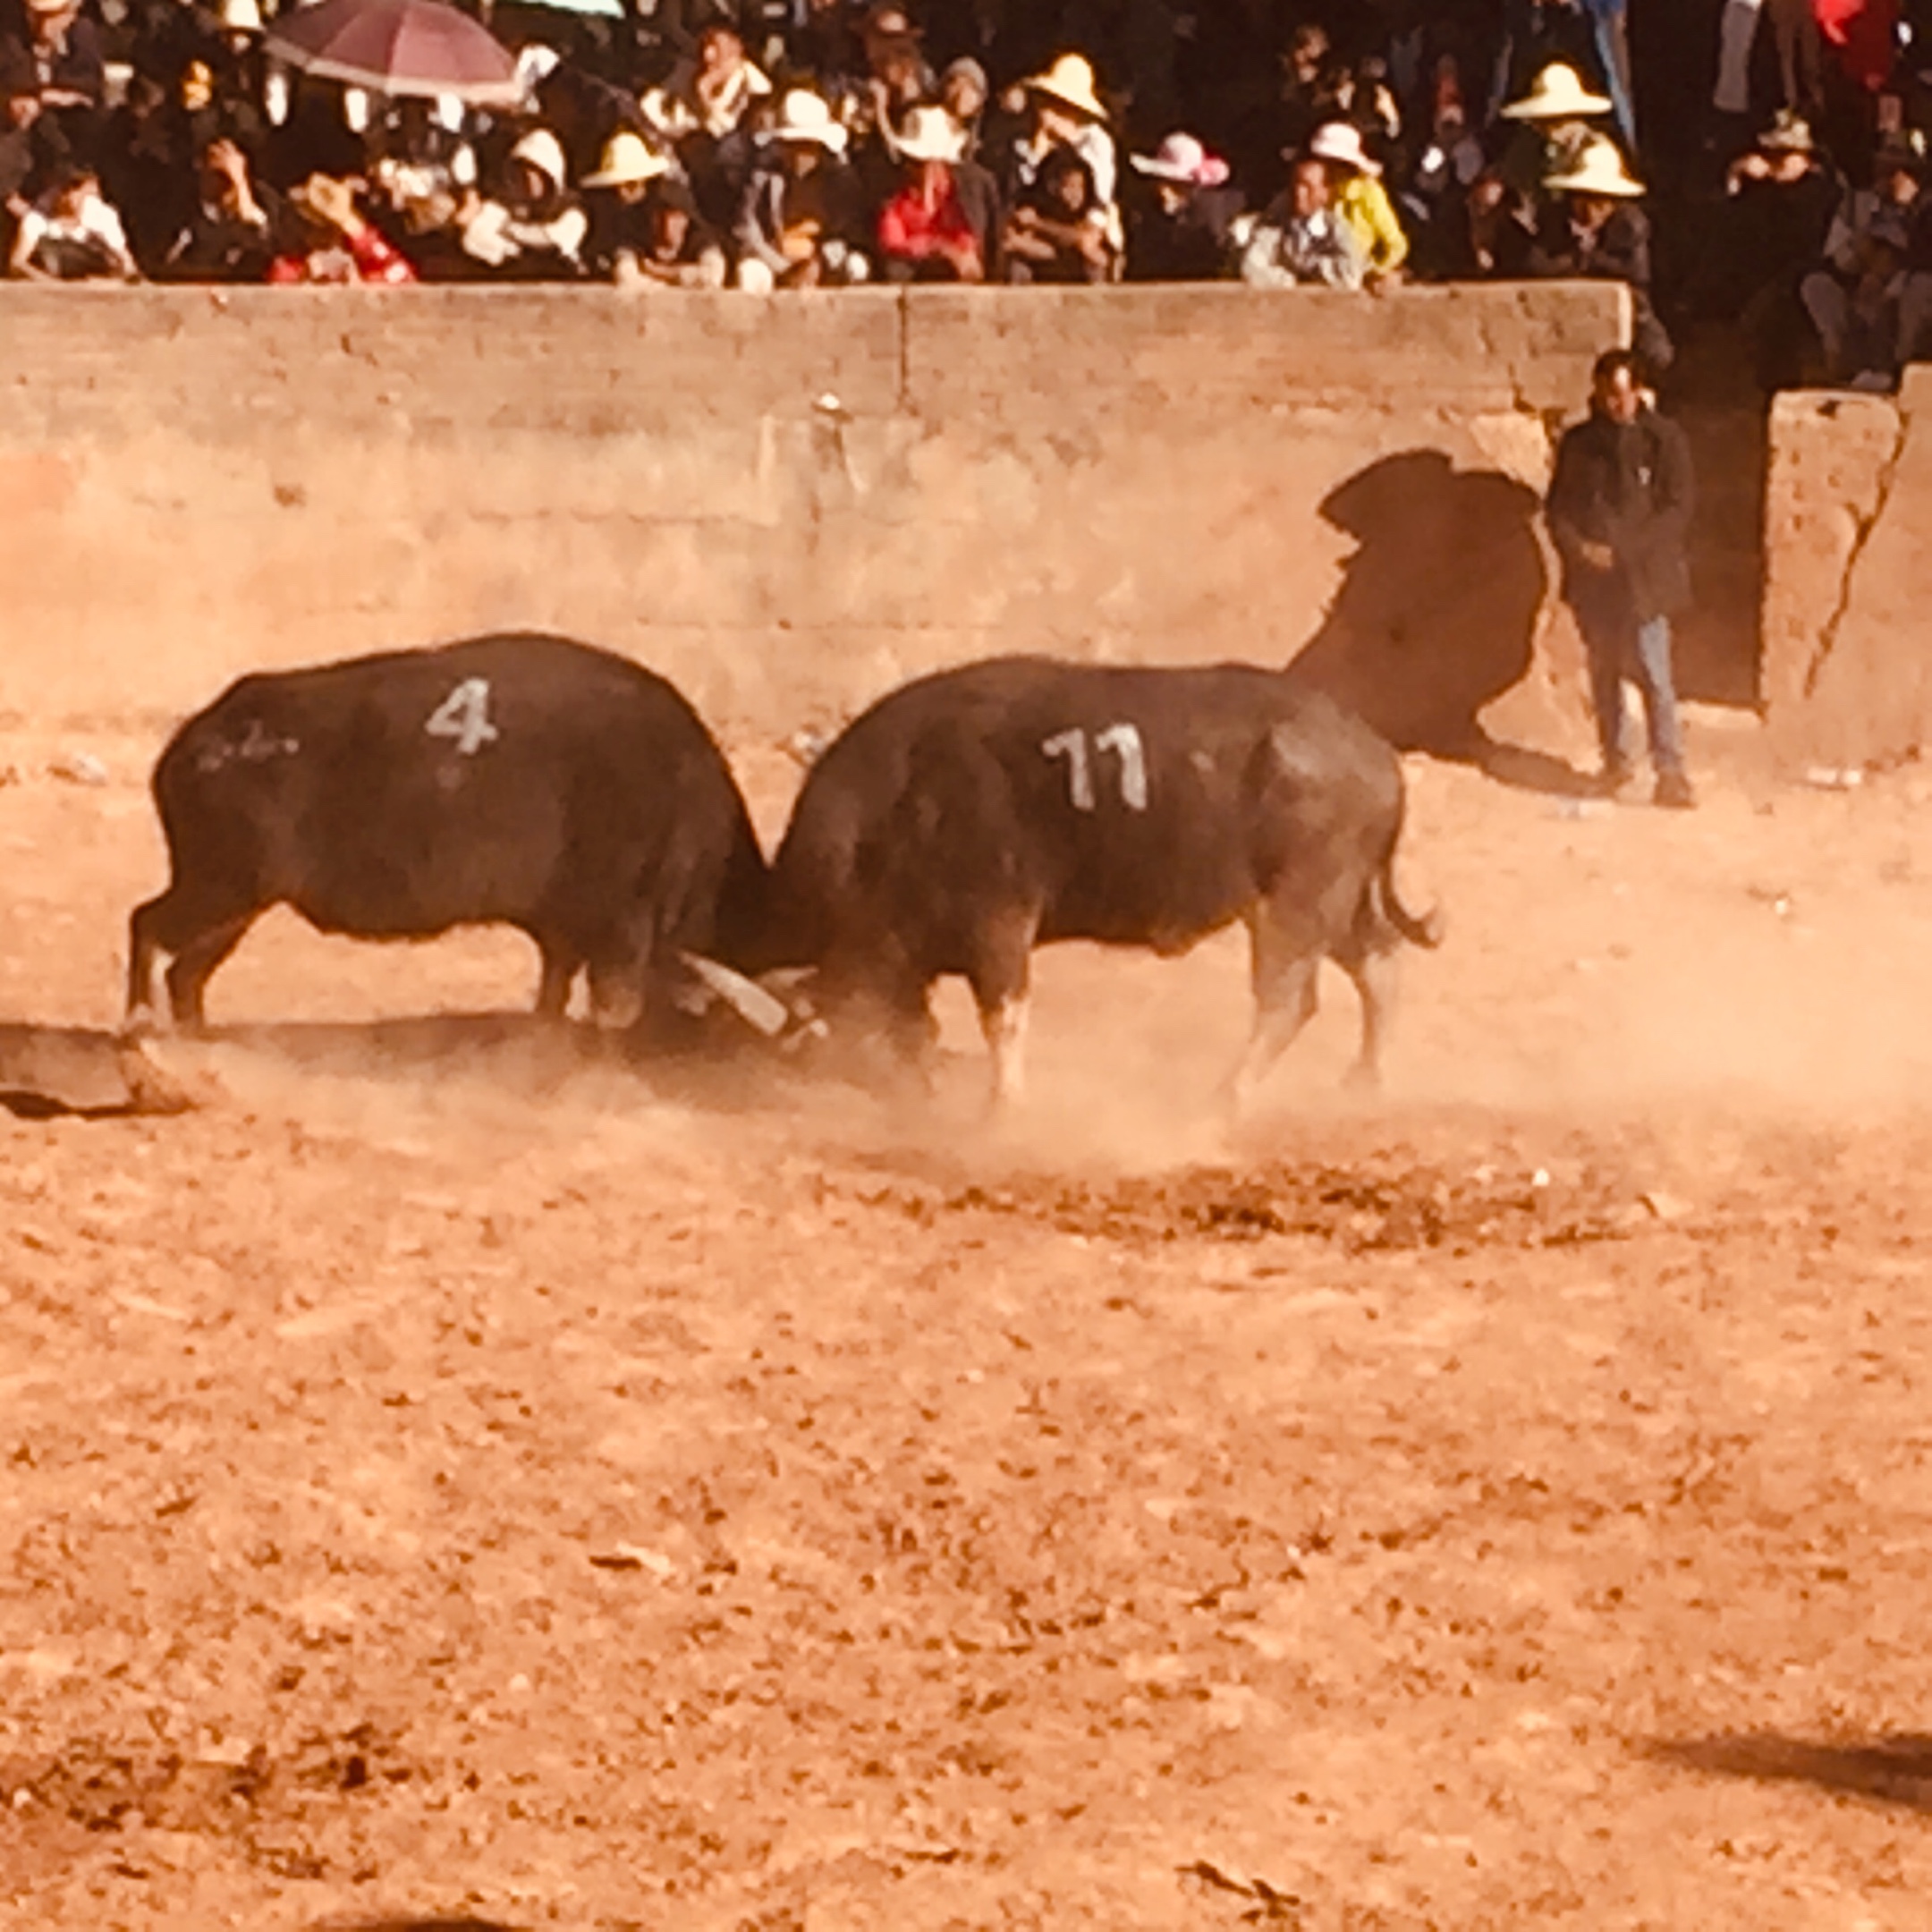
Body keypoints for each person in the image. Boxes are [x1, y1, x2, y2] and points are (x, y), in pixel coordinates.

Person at [1546, 348, 1697, 809]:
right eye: (1611, 393)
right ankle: (1616, 761)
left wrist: (1630, 550)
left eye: (1626, 392)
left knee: (1654, 671)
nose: (1619, 402)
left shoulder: (1663, 440)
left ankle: (1669, 770)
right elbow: (1559, 510)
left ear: (1640, 392)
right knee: (1605, 670)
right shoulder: (1580, 445)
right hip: (1597, 581)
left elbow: (1678, 507)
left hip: (1646, 576)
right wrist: (1581, 550)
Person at [1535, 135, 1673, 376]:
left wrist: (1585, 258)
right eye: (1583, 200)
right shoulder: (1553, 220)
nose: (1590, 211)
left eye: (1599, 202)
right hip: (1560, 310)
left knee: (1657, 352)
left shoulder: (1630, 225)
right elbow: (1538, 264)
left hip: (1627, 310)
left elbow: (1636, 276)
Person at [733, 88, 869, 289]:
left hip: (824, 261)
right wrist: (783, 267)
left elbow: (850, 231)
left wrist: (818, 260)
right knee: (750, 272)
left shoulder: (841, 181)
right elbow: (746, 229)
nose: (799, 154)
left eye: (807, 145)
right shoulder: (763, 179)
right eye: (792, 145)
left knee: (857, 266)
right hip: (776, 259)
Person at [876, 101, 996, 283]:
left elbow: (968, 236)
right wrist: (939, 247)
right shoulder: (894, 194)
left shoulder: (962, 191)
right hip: (914, 266)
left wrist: (961, 252)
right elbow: (892, 241)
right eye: (916, 163)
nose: (925, 170)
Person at [459, 127, 587, 279]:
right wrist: (508, 250)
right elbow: (475, 235)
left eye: (537, 172)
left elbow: (555, 239)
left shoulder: (571, 209)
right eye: (524, 171)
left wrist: (510, 230)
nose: (530, 179)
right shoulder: (506, 203)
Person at [157, 132, 275, 279]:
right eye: (217, 175)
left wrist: (243, 193)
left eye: (228, 178)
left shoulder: (265, 204)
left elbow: (269, 252)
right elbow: (165, 263)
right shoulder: (182, 213)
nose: (223, 185)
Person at [1124, 129, 1239, 282]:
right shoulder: (1144, 211)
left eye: (1174, 184)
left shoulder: (1210, 211)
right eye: (1160, 180)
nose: (1162, 189)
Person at [1241, 151, 1364, 289]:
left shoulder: (1335, 228)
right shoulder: (1275, 224)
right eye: (1296, 184)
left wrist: (1309, 266)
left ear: (1325, 192)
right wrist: (1288, 280)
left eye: (1307, 187)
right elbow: (1251, 267)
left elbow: (1351, 274)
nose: (1299, 193)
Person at [1307, 120, 1407, 283]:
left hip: (1356, 277)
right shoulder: (1310, 190)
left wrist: (1376, 272)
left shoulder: (1368, 193)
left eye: (1332, 163)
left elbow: (1396, 245)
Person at [267, 172, 415, 282]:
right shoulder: (289, 271)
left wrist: (350, 223)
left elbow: (402, 277)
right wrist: (307, 277)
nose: (319, 233)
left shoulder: (370, 269)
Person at [1000, 140, 1112, 283]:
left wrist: (1038, 224)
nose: (1076, 194)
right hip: (1039, 272)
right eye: (1069, 186)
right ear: (1052, 186)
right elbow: (1015, 243)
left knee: (1094, 263)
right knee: (1018, 267)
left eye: (1080, 187)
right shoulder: (1029, 203)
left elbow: (1086, 242)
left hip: (1077, 274)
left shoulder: (1093, 208)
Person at [9, 161, 137, 276]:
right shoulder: (37, 216)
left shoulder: (102, 215)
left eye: (78, 187)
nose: (71, 195)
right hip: (51, 276)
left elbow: (128, 264)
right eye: (66, 187)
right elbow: (17, 263)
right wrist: (48, 284)